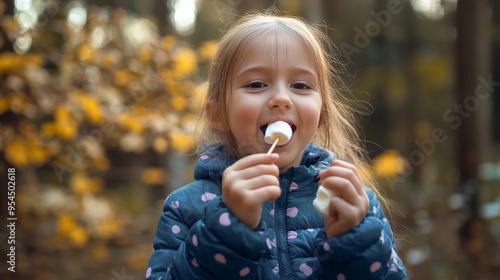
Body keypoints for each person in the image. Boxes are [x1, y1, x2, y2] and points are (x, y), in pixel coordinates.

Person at [145, 9, 407, 280]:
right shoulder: (185, 207)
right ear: (218, 115)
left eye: (301, 86)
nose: (281, 98)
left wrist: (356, 240)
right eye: (257, 84)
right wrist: (226, 230)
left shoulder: (353, 202)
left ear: (321, 116)